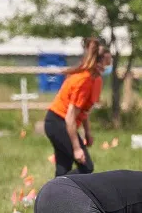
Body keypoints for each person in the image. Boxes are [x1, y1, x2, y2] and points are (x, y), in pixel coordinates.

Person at [44, 38, 112, 177]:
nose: (108, 67)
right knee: (86, 167)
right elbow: (70, 118)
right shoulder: (83, 80)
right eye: (107, 64)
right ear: (97, 63)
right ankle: (55, 190)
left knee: (64, 168)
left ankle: (56, 196)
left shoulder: (95, 80)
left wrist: (87, 132)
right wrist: (76, 148)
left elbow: (84, 110)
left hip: (61, 123)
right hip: (58, 122)